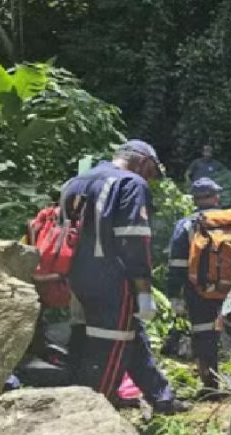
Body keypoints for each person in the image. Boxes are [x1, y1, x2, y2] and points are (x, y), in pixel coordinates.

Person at [61, 139, 190, 414]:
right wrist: (143, 288)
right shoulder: (130, 183)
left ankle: (162, 398)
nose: (150, 179)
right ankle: (94, 412)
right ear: (143, 162)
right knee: (111, 345)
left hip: (75, 275)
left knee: (122, 336)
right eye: (152, 173)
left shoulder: (75, 182)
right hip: (111, 278)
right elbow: (133, 239)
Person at [167, 177, 231, 388]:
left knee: (204, 335)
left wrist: (174, 295)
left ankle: (210, 385)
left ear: (194, 199)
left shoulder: (187, 225)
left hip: (200, 289)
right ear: (216, 197)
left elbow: (177, 264)